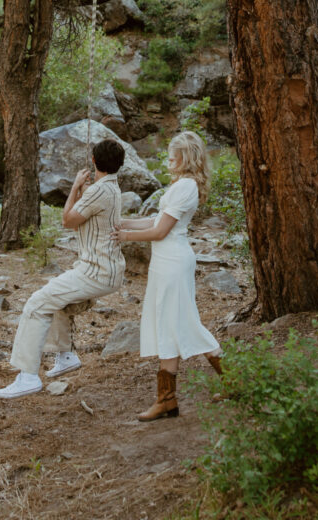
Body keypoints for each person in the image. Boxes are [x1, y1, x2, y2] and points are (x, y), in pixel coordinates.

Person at [0, 138, 125, 400]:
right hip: (106, 269)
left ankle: (28, 376)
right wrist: (82, 192)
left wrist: (76, 186)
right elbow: (80, 220)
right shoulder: (111, 188)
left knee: (35, 304)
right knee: (57, 300)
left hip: (95, 271)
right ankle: (65, 355)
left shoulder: (97, 191)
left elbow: (67, 220)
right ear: (120, 164)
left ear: (93, 161)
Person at [112, 130, 221, 420]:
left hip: (173, 260)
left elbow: (161, 231)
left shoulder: (186, 186)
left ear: (187, 157)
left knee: (183, 321)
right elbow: (155, 221)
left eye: (175, 153)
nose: (169, 158)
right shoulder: (179, 186)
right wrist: (124, 223)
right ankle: (167, 400)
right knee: (167, 324)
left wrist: (124, 236)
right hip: (164, 260)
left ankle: (234, 379)